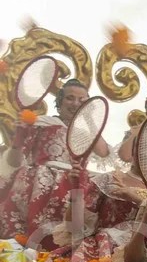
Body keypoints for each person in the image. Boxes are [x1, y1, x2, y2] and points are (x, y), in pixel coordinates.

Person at [0, 78, 111, 246]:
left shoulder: (86, 132)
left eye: (82, 100)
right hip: (41, 183)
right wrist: (18, 139)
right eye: (70, 98)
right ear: (59, 102)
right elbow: (14, 161)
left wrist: (88, 118)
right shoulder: (43, 122)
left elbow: (103, 152)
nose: (76, 103)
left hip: (75, 184)